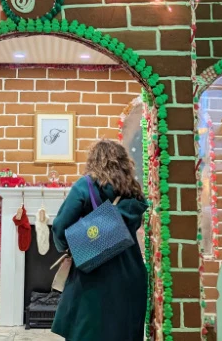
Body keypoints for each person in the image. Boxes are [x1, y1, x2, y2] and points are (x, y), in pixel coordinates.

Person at [51, 140, 149, 341]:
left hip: (92, 282)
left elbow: (60, 229)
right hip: (129, 278)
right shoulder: (134, 192)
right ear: (124, 163)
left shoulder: (85, 186)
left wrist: (74, 245)